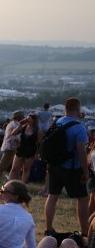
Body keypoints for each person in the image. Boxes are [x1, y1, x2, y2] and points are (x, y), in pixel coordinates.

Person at [44, 98, 89, 236]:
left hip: (54, 165)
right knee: (82, 198)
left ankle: (49, 228)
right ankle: (85, 232)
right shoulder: (79, 127)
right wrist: (85, 171)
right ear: (77, 109)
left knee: (52, 196)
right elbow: (81, 151)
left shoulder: (57, 122)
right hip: (72, 168)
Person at [10, 113, 41, 183]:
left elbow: (39, 143)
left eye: (29, 118)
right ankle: (9, 183)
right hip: (21, 149)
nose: (27, 120)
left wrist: (37, 153)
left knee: (26, 169)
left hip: (31, 151)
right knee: (14, 168)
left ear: (34, 120)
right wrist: (19, 125)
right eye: (27, 118)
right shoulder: (23, 127)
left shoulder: (38, 130)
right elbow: (13, 133)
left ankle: (22, 184)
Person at [0, 111, 23, 183]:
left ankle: (13, 179)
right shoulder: (15, 125)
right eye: (22, 116)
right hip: (10, 147)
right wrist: (19, 145)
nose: (23, 117)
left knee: (10, 164)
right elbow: (14, 137)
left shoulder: (13, 123)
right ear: (19, 117)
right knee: (4, 163)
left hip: (10, 146)